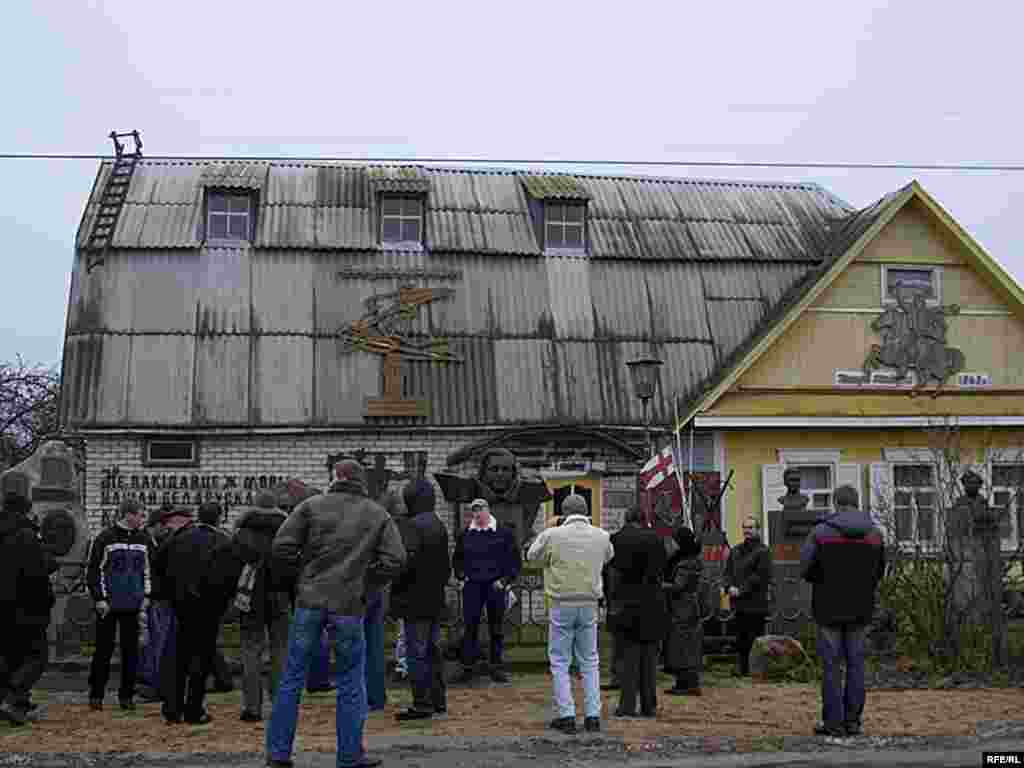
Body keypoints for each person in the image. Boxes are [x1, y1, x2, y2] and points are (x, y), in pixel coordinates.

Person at [266, 460, 406, 768]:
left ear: (334, 477)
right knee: (350, 681)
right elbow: (395, 559)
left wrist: (303, 579)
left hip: (309, 602)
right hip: (349, 605)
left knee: (291, 678)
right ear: (361, 480)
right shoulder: (376, 513)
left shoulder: (310, 507)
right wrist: (365, 586)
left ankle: (278, 753)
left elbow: (281, 548)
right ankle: (350, 754)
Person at [800, 484, 885, 738]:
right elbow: (879, 571)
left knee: (832, 667)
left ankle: (833, 722)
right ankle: (853, 722)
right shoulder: (874, 534)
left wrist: (823, 580)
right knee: (856, 665)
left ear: (836, 503)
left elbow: (806, 568)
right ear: (857, 502)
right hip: (861, 607)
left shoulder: (820, 532)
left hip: (828, 607)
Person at [527, 494, 614, 735]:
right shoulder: (601, 535)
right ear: (586, 512)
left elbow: (532, 556)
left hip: (561, 602)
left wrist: (546, 531)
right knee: (590, 660)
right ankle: (592, 715)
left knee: (560, 660)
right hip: (589, 603)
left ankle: (566, 714)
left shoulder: (552, 535)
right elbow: (608, 556)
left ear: (563, 513)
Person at [151, 505, 228, 725]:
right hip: (208, 608)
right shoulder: (222, 541)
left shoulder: (176, 540)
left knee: (178, 658)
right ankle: (194, 709)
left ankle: (172, 708)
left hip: (181, 606)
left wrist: (170, 594)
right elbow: (227, 576)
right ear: (219, 519)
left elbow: (158, 566)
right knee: (201, 661)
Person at [390, 479, 452, 722]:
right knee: (433, 651)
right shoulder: (438, 523)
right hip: (435, 597)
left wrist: (395, 587)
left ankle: (422, 703)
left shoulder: (412, 526)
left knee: (416, 652)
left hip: (414, 599)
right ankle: (438, 700)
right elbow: (445, 567)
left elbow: (405, 564)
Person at [228, 492, 290, 723]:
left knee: (251, 651)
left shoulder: (242, 533)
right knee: (281, 651)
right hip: (280, 595)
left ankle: (252, 708)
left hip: (250, 596)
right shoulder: (287, 530)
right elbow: (294, 566)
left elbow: (232, 566)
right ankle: (281, 704)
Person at [85, 499, 153, 712]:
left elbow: (149, 570)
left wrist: (147, 595)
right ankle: (96, 695)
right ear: (128, 515)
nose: (142, 519)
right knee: (103, 651)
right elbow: (94, 570)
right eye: (140, 514)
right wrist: (99, 599)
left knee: (130, 652)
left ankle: (127, 696)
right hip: (109, 605)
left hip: (134, 603)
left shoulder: (144, 539)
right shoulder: (105, 538)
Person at [451, 498, 521, 685]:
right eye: (474, 510)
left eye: (480, 509)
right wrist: (461, 577)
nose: (477, 513)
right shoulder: (465, 534)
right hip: (473, 586)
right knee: (470, 627)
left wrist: (505, 581)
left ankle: (496, 667)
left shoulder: (504, 533)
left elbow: (514, 561)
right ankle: (468, 668)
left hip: (494, 586)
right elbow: (457, 560)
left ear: (488, 510)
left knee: (496, 628)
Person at [606, 505, 667, 718]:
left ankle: (627, 705)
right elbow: (662, 570)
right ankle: (649, 706)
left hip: (626, 604)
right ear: (643, 520)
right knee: (649, 659)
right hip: (652, 603)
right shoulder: (657, 540)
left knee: (628, 659)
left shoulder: (616, 539)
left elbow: (611, 573)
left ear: (626, 519)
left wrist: (609, 600)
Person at [0, 490, 52, 725]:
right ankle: (13, 699)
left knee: (10, 657)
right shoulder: (27, 535)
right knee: (37, 657)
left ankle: (12, 701)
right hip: (27, 608)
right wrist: (46, 603)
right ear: (26, 510)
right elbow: (37, 574)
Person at [722, 515, 773, 677]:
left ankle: (755, 669)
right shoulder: (735, 550)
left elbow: (760, 576)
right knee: (740, 638)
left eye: (751, 528)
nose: (747, 531)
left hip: (756, 603)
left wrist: (741, 589)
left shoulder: (763, 551)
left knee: (755, 639)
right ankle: (742, 668)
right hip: (738, 603)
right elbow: (728, 572)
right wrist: (728, 586)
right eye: (745, 527)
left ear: (758, 530)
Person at [136, 505, 177, 703]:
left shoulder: (151, 540)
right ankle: (153, 682)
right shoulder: (146, 541)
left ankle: (150, 680)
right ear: (158, 525)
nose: (168, 530)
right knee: (155, 643)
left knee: (152, 642)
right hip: (152, 598)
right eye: (166, 526)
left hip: (153, 597)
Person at [663, 526, 707, 696]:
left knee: (685, 644)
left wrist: (659, 585)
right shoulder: (683, 559)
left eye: (674, 541)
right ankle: (682, 682)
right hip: (681, 607)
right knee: (679, 644)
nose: (671, 544)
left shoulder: (687, 562)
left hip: (684, 607)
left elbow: (678, 586)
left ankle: (689, 683)